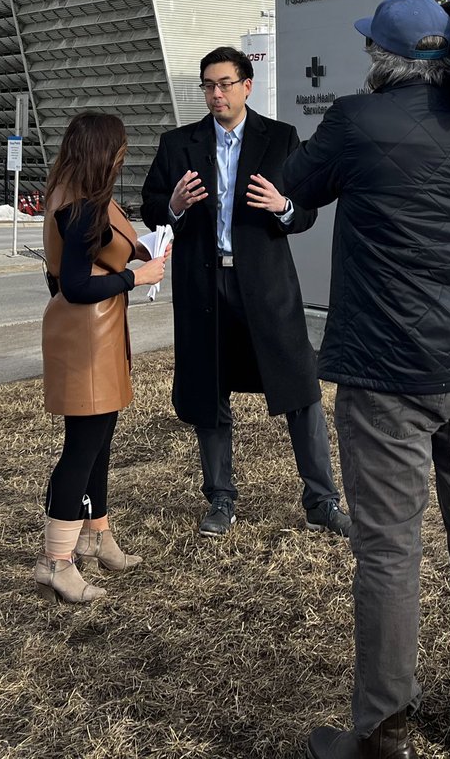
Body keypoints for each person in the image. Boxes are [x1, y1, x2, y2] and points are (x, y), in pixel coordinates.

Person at [284, 0, 450, 759]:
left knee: (388, 548)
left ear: (379, 57)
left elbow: (300, 187)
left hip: (387, 372)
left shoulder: (356, 120)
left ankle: (385, 727)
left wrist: (277, 195)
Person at [140, 46, 350, 539]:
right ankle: (220, 498)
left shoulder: (280, 139)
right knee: (208, 391)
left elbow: (306, 211)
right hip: (203, 286)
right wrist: (171, 205)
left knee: (300, 386)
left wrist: (282, 206)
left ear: (247, 85)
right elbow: (151, 207)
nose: (217, 94)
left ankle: (321, 500)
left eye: (226, 84)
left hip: (266, 285)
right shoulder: (178, 144)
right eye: (209, 85)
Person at [34, 112, 168, 605]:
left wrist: (134, 258)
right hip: (87, 332)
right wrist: (139, 276)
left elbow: (92, 260)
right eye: (119, 148)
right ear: (102, 152)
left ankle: (95, 535)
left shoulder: (72, 192)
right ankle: (57, 561)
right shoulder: (84, 205)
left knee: (97, 441)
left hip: (94, 331)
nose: (122, 156)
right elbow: (76, 284)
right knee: (82, 448)